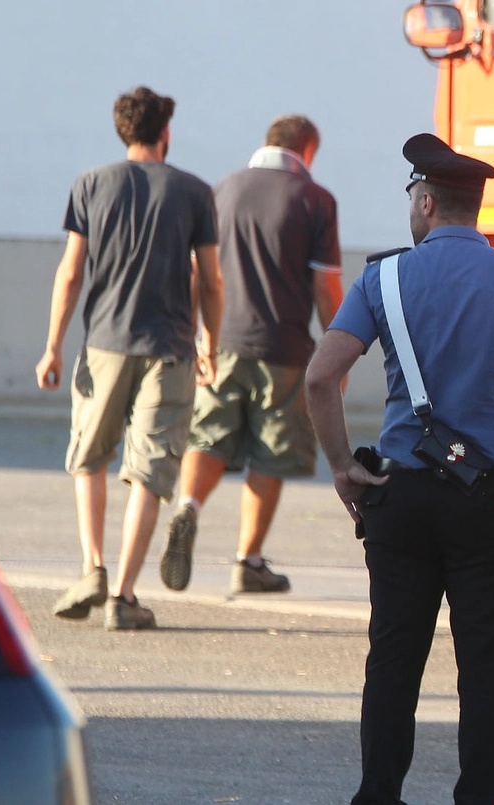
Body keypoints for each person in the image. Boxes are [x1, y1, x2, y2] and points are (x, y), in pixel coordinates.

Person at [305, 133, 494, 805]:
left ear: (427, 201)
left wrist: (345, 467)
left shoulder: (383, 277)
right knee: (488, 672)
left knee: (393, 661)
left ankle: (378, 793)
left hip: (400, 497)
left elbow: (322, 378)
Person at [36, 85, 223, 631]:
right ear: (165, 134)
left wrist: (52, 344)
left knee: (89, 457)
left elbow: (71, 271)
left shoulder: (91, 185)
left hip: (103, 346)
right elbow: (210, 279)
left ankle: (92, 566)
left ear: (124, 131)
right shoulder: (193, 192)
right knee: (150, 471)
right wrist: (210, 339)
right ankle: (122, 597)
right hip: (168, 350)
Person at [160, 114, 343, 596]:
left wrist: (201, 335)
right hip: (282, 349)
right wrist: (339, 350)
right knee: (271, 451)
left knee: (208, 435)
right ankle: (248, 560)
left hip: (222, 343)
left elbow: (200, 272)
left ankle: (187, 509)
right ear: (307, 151)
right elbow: (326, 288)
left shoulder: (222, 189)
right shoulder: (315, 199)